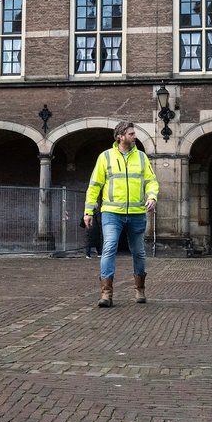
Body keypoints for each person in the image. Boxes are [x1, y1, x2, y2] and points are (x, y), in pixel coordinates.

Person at [83, 121, 159, 307]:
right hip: (111, 212)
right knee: (109, 248)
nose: (135, 136)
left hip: (136, 212)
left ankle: (139, 290)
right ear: (120, 136)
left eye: (134, 133)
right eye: (131, 134)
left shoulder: (141, 157)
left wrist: (152, 196)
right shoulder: (105, 157)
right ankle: (106, 294)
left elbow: (151, 181)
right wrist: (88, 211)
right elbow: (94, 186)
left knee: (139, 252)